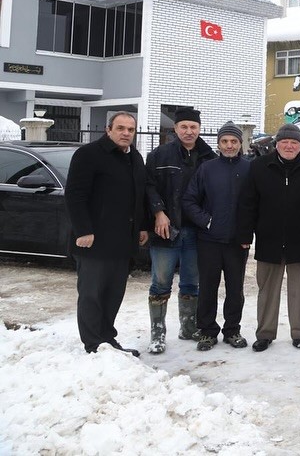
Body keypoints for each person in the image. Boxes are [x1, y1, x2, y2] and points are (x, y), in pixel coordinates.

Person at [237, 123, 300, 352]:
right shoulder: (259, 167)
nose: (289, 146)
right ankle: (265, 333)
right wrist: (245, 233)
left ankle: (299, 333)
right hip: (269, 239)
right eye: (285, 142)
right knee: (267, 290)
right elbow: (248, 203)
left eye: (294, 142)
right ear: (276, 144)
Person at [65, 111, 149, 355]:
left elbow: (138, 196)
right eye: (121, 128)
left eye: (130, 130)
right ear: (108, 129)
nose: (126, 133)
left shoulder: (135, 157)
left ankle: (107, 339)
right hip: (94, 241)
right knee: (92, 294)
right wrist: (83, 230)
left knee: (113, 294)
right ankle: (93, 344)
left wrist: (142, 226)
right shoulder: (88, 155)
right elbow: (75, 194)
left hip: (122, 241)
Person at [144, 106, 217, 354]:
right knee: (161, 282)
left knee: (191, 283)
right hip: (166, 230)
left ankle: (188, 326)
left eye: (193, 127)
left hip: (197, 232)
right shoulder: (159, 156)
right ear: (175, 129)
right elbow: (149, 187)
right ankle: (158, 332)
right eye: (184, 127)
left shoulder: (209, 157)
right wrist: (158, 212)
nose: (189, 131)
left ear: (199, 129)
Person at [182, 121, 251, 351]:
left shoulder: (249, 168)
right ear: (218, 143)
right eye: (224, 141)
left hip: (237, 242)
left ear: (240, 144)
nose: (229, 146)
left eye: (233, 141)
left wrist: (247, 231)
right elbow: (189, 200)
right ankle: (208, 331)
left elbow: (256, 203)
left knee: (235, 289)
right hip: (209, 240)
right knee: (208, 287)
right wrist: (206, 220)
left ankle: (232, 329)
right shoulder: (207, 169)